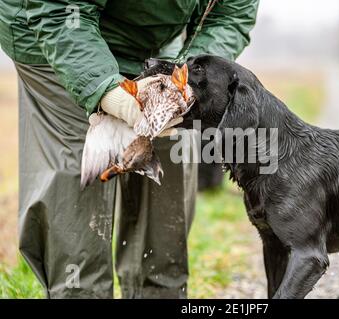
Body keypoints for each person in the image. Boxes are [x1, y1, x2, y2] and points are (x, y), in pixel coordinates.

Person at [0, 0, 259, 299]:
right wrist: (104, 91)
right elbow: (58, 10)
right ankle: (80, 292)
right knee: (80, 177)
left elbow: (231, 14)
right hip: (58, 29)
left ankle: (159, 292)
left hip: (150, 38)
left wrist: (187, 83)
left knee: (169, 167)